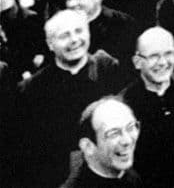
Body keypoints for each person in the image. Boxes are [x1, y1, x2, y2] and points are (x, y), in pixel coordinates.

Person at [9, 10, 126, 188]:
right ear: (50, 44)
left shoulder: (109, 71)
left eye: (79, 31)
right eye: (64, 35)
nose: (74, 40)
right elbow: (26, 153)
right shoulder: (31, 90)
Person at [119, 27, 174, 188]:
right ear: (137, 62)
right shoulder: (124, 105)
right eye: (154, 56)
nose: (163, 62)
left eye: (168, 54)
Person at [60, 96, 144, 187]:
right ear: (88, 146)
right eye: (114, 133)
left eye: (130, 127)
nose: (127, 140)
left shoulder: (131, 176)